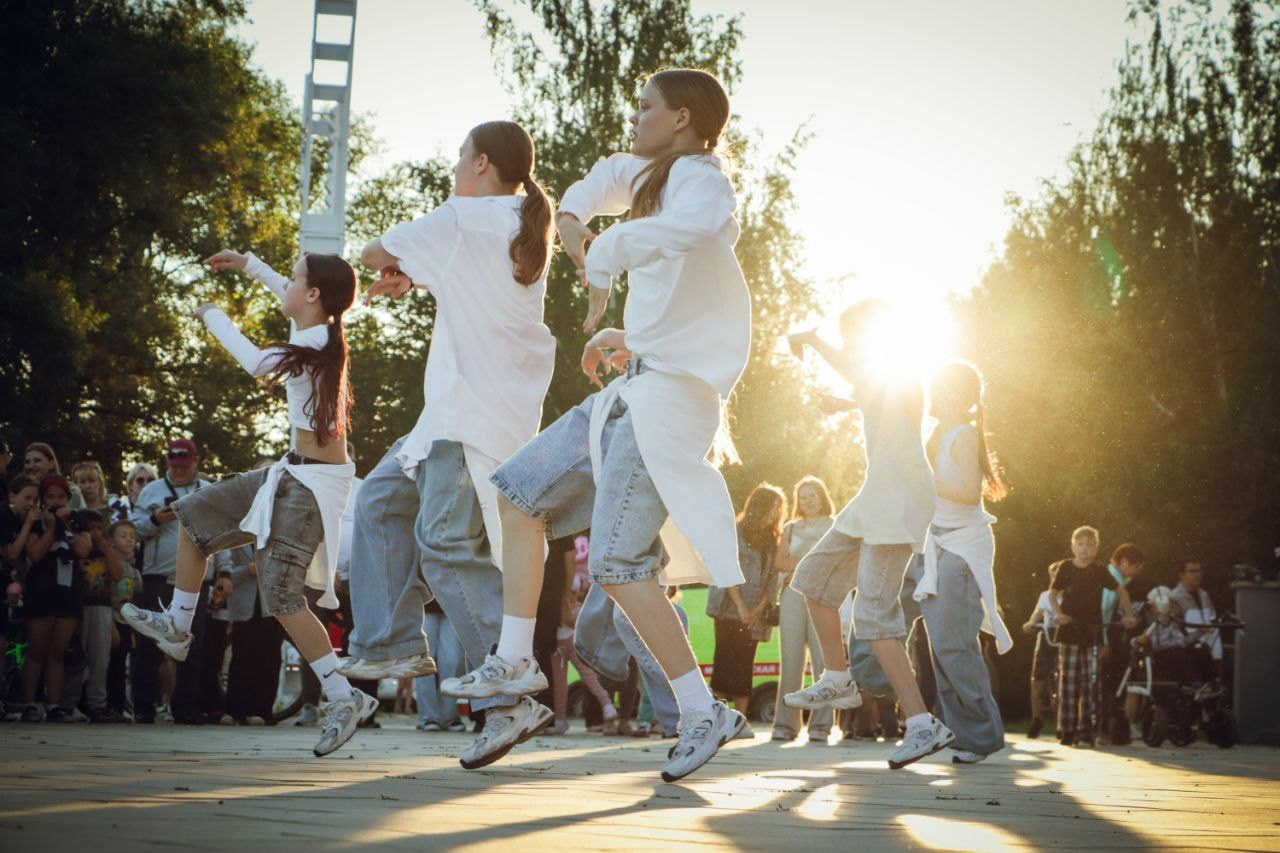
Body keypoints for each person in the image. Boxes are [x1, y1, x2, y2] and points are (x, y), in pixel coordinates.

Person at [442, 69, 752, 781]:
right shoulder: (651, 176)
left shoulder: (703, 181)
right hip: (632, 391)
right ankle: (516, 667)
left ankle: (702, 712)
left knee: (617, 566)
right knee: (518, 494)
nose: (634, 117)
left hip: (666, 409)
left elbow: (692, 230)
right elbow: (599, 181)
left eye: (645, 107)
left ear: (681, 118)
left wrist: (604, 250)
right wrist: (579, 228)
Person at [341, 120, 558, 769]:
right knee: (379, 501)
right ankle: (392, 645)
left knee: (445, 545)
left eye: (461, 156)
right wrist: (417, 276)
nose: (455, 166)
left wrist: (401, 266)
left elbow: (372, 251)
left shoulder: (464, 217)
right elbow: (463, 276)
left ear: (482, 163)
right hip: (454, 415)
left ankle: (510, 696)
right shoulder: (519, 223)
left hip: (469, 417)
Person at [123, 247, 367, 757]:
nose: (287, 286)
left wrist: (211, 313)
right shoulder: (315, 329)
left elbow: (256, 364)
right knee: (194, 519)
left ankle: (344, 698)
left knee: (281, 597)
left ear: (314, 294)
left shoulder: (314, 342)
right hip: (288, 472)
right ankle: (179, 625)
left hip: (311, 484)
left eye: (295, 279)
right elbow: (288, 294)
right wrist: (251, 265)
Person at [783, 300, 952, 769]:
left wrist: (813, 340)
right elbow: (873, 391)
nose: (850, 345)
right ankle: (838, 678)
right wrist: (846, 403)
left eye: (852, 336)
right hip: (877, 494)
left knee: (874, 615)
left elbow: (868, 375)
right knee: (813, 579)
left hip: (898, 498)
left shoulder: (901, 369)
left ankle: (921, 723)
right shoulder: (882, 382)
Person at [903, 361, 1011, 764]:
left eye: (944, 387)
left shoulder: (965, 435)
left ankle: (979, 737)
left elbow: (969, 493)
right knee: (935, 645)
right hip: (934, 546)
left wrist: (923, 478)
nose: (936, 392)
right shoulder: (937, 433)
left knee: (954, 647)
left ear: (961, 397)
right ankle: (954, 730)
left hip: (961, 549)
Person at [127, 439, 228, 724]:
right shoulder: (152, 491)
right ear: (168, 462)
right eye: (175, 465)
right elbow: (132, 530)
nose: (179, 470)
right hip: (158, 578)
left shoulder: (208, 490)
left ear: (195, 461)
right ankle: (144, 707)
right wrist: (155, 520)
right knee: (149, 643)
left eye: (184, 465)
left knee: (192, 646)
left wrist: (225, 573)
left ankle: (185, 707)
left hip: (198, 582)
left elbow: (223, 534)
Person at [708, 484, 785, 738]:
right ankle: (716, 720)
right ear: (759, 507)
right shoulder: (735, 532)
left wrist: (758, 609)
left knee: (744, 666)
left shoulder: (773, 540)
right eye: (772, 508)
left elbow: (772, 580)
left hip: (754, 615)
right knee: (724, 663)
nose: (775, 513)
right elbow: (726, 569)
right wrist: (741, 607)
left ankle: (740, 722)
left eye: (778, 509)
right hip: (729, 609)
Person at [1048, 526, 1137, 747]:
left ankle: (1086, 729)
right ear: (1073, 546)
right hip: (1070, 630)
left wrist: (1128, 616)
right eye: (1080, 544)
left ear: (1096, 549)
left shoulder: (1099, 571)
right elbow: (1052, 593)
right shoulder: (1066, 567)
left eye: (1089, 545)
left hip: (1092, 631)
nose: (1084, 549)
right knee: (1068, 681)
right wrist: (1058, 614)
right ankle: (1067, 729)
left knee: (1091, 682)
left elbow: (1121, 592)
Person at [19, 475, 91, 720]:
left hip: (68, 591)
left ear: (68, 499)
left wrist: (65, 524)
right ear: (43, 499)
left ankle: (54, 705)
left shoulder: (77, 520)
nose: (56, 501)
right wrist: (51, 527)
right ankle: (29, 703)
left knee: (58, 651)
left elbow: (84, 550)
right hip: (42, 589)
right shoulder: (36, 521)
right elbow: (34, 554)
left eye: (60, 497)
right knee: (37, 649)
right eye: (50, 496)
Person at [771, 476, 836, 743]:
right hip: (793, 595)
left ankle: (821, 725)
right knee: (791, 658)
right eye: (803, 497)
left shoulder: (834, 526)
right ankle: (786, 723)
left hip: (823, 595)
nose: (808, 501)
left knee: (824, 660)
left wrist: (797, 563)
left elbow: (834, 560)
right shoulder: (791, 527)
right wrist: (811, 561)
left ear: (822, 496)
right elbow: (779, 562)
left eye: (813, 495)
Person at [77, 510, 125, 722]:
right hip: (77, 606)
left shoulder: (106, 550)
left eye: (99, 528)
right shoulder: (76, 547)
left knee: (100, 658)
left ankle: (97, 703)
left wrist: (106, 549)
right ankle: (70, 702)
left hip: (102, 606)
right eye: (91, 529)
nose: (95, 533)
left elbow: (118, 574)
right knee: (75, 656)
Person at [105, 519, 141, 721]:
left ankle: (118, 707)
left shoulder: (133, 570)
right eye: (123, 536)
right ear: (111, 540)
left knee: (120, 665)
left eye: (132, 537)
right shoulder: (108, 566)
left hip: (126, 622)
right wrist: (110, 624)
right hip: (110, 619)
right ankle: (108, 705)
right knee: (110, 664)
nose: (129, 540)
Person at [1021, 561, 1060, 739]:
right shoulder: (1045, 596)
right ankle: (1037, 718)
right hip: (1047, 635)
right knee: (1038, 678)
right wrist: (1031, 623)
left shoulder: (1072, 596)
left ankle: (1062, 720)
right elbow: (1037, 613)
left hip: (1064, 636)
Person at [1169, 559, 1222, 669]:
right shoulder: (1174, 597)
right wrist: (1198, 633)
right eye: (1192, 571)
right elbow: (1175, 632)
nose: (1197, 575)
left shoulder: (1204, 595)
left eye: (1199, 570)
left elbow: (1213, 619)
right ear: (1181, 574)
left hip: (1212, 650)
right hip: (1190, 654)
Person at [23, 443, 84, 510]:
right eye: (27, 462)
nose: (31, 466)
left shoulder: (71, 491)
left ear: (51, 464)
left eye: (37, 460)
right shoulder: (23, 493)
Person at [71, 462, 112, 526]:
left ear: (100, 483)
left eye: (91, 481)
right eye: (82, 482)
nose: (87, 486)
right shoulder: (74, 512)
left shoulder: (112, 508)